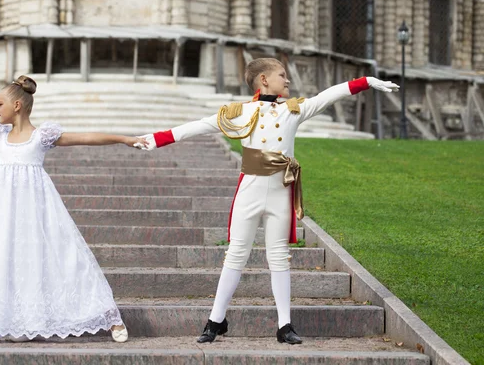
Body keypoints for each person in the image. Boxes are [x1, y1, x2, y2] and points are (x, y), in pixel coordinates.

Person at [139, 58, 399, 344]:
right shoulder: (240, 112)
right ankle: (215, 320)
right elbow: (199, 126)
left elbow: (327, 96)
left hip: (280, 193)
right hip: (250, 190)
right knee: (236, 254)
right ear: (264, 79)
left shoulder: (293, 110)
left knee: (279, 257)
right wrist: (154, 139)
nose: (287, 81)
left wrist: (365, 82)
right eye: (282, 75)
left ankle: (284, 325)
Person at [0, 65, 148, 342]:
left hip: (39, 209)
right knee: (12, 261)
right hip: (6, 216)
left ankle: (110, 316)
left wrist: (124, 138)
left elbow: (86, 138)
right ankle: (20, 320)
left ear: (17, 105)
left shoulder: (41, 136)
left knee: (67, 256)